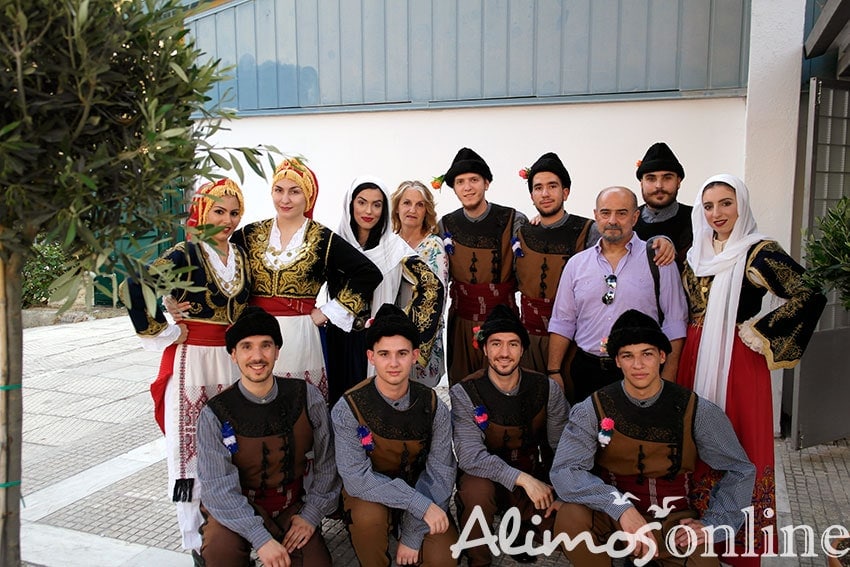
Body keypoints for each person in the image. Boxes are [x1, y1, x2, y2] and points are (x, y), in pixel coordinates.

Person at [676, 174, 826, 565]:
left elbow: (809, 293)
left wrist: (762, 332)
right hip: (695, 355)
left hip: (737, 360)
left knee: (740, 438)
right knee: (697, 437)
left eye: (726, 203)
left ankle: (741, 544)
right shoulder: (695, 253)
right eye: (709, 206)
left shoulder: (759, 252)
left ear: (741, 205)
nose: (717, 213)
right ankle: (701, 533)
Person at [550, 309, 756, 567]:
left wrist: (712, 525)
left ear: (662, 356)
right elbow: (565, 470)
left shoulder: (696, 410)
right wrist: (621, 508)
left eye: (647, 354)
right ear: (617, 361)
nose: (638, 365)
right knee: (570, 517)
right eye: (628, 356)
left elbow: (740, 469)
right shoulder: (592, 408)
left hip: (674, 523)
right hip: (613, 519)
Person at [119, 177, 250, 553]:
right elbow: (134, 284)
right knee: (190, 446)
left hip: (230, 363)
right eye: (219, 211)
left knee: (230, 443)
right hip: (192, 360)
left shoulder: (239, 256)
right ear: (203, 212)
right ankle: (195, 541)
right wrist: (166, 327)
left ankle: (228, 535)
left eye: (234, 213)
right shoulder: (186, 253)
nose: (227, 220)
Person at [229, 157, 382, 400]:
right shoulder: (248, 234)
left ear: (308, 196)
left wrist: (330, 311)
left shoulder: (322, 238)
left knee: (298, 402)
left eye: (294, 191)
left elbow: (368, 273)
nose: (285, 199)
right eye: (279, 190)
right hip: (254, 334)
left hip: (300, 334)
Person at [196, 306, 339, 567]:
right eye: (246, 347)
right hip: (236, 509)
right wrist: (260, 538)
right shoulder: (214, 412)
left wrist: (310, 515)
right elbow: (217, 487)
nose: (257, 356)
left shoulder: (307, 396)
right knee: (221, 551)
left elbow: (328, 461)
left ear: (277, 351)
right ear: (233, 355)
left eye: (266, 345)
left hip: (290, 507)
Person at [332, 303, 458, 567]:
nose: (393, 363)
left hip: (422, 490)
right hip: (370, 495)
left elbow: (441, 473)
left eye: (402, 353)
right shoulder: (348, 407)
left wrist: (412, 533)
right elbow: (356, 479)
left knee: (443, 557)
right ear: (371, 356)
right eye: (384, 354)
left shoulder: (434, 405)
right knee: (368, 518)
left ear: (414, 355)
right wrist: (420, 505)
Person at [450, 304, 568, 566]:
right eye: (496, 344)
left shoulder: (546, 388)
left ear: (523, 349)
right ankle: (478, 556)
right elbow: (469, 456)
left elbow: (562, 445)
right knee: (476, 493)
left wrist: (562, 490)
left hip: (531, 471)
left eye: (513, 344)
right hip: (486, 476)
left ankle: (519, 528)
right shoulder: (464, 392)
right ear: (484, 348)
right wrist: (523, 480)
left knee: (566, 528)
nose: (504, 353)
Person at [547, 186, 688, 402]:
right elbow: (562, 321)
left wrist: (668, 377)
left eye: (621, 213)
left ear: (635, 217)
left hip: (639, 371)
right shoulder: (577, 264)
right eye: (605, 213)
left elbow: (675, 322)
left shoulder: (658, 260)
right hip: (586, 370)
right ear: (596, 216)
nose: (612, 220)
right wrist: (554, 371)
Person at [326, 175, 444, 405]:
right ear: (350, 204)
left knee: (373, 406)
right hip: (338, 338)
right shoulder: (336, 243)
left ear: (385, 209)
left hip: (375, 340)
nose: (368, 211)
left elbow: (431, 286)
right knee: (340, 405)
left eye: (377, 204)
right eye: (362, 202)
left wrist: (403, 329)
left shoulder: (393, 247)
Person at [437, 147, 528, 384]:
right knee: (463, 386)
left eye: (474, 180)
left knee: (505, 384)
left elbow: (526, 271)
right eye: (460, 182)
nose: (467, 187)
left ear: (486, 183)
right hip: (461, 321)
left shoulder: (513, 220)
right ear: (454, 187)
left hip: (503, 321)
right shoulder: (445, 225)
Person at [514, 152, 592, 381]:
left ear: (565, 192)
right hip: (529, 339)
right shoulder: (521, 232)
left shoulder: (589, 231)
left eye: (552, 186)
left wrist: (661, 241)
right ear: (532, 195)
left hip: (574, 340)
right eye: (538, 188)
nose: (545, 193)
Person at [586, 142, 688, 269]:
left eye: (667, 178)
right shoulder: (625, 220)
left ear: (678, 181)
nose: (659, 185)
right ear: (641, 183)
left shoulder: (697, 220)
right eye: (651, 178)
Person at [390, 180, 449, 387]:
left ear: (426, 211)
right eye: (406, 203)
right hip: (389, 330)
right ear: (397, 207)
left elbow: (436, 296)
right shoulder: (388, 243)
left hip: (423, 333)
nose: (412, 210)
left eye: (419, 205)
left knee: (418, 394)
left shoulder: (433, 246)